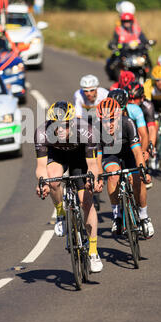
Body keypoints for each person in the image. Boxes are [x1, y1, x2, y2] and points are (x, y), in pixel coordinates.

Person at [34, 101, 104, 273]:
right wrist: (42, 182)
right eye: (56, 126)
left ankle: (93, 252)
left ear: (71, 123)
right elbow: (41, 167)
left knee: (86, 202)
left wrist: (92, 180)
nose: (60, 130)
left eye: (64, 125)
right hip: (57, 157)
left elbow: (93, 164)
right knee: (53, 181)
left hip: (80, 159)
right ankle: (60, 212)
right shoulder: (42, 133)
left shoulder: (86, 130)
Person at [96, 97, 154, 238]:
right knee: (113, 175)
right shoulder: (96, 130)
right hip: (110, 155)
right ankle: (117, 216)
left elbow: (137, 152)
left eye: (112, 119)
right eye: (104, 120)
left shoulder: (128, 123)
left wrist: (143, 171)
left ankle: (144, 216)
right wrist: (98, 178)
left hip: (129, 153)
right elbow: (97, 158)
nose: (108, 124)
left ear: (119, 116)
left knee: (137, 179)